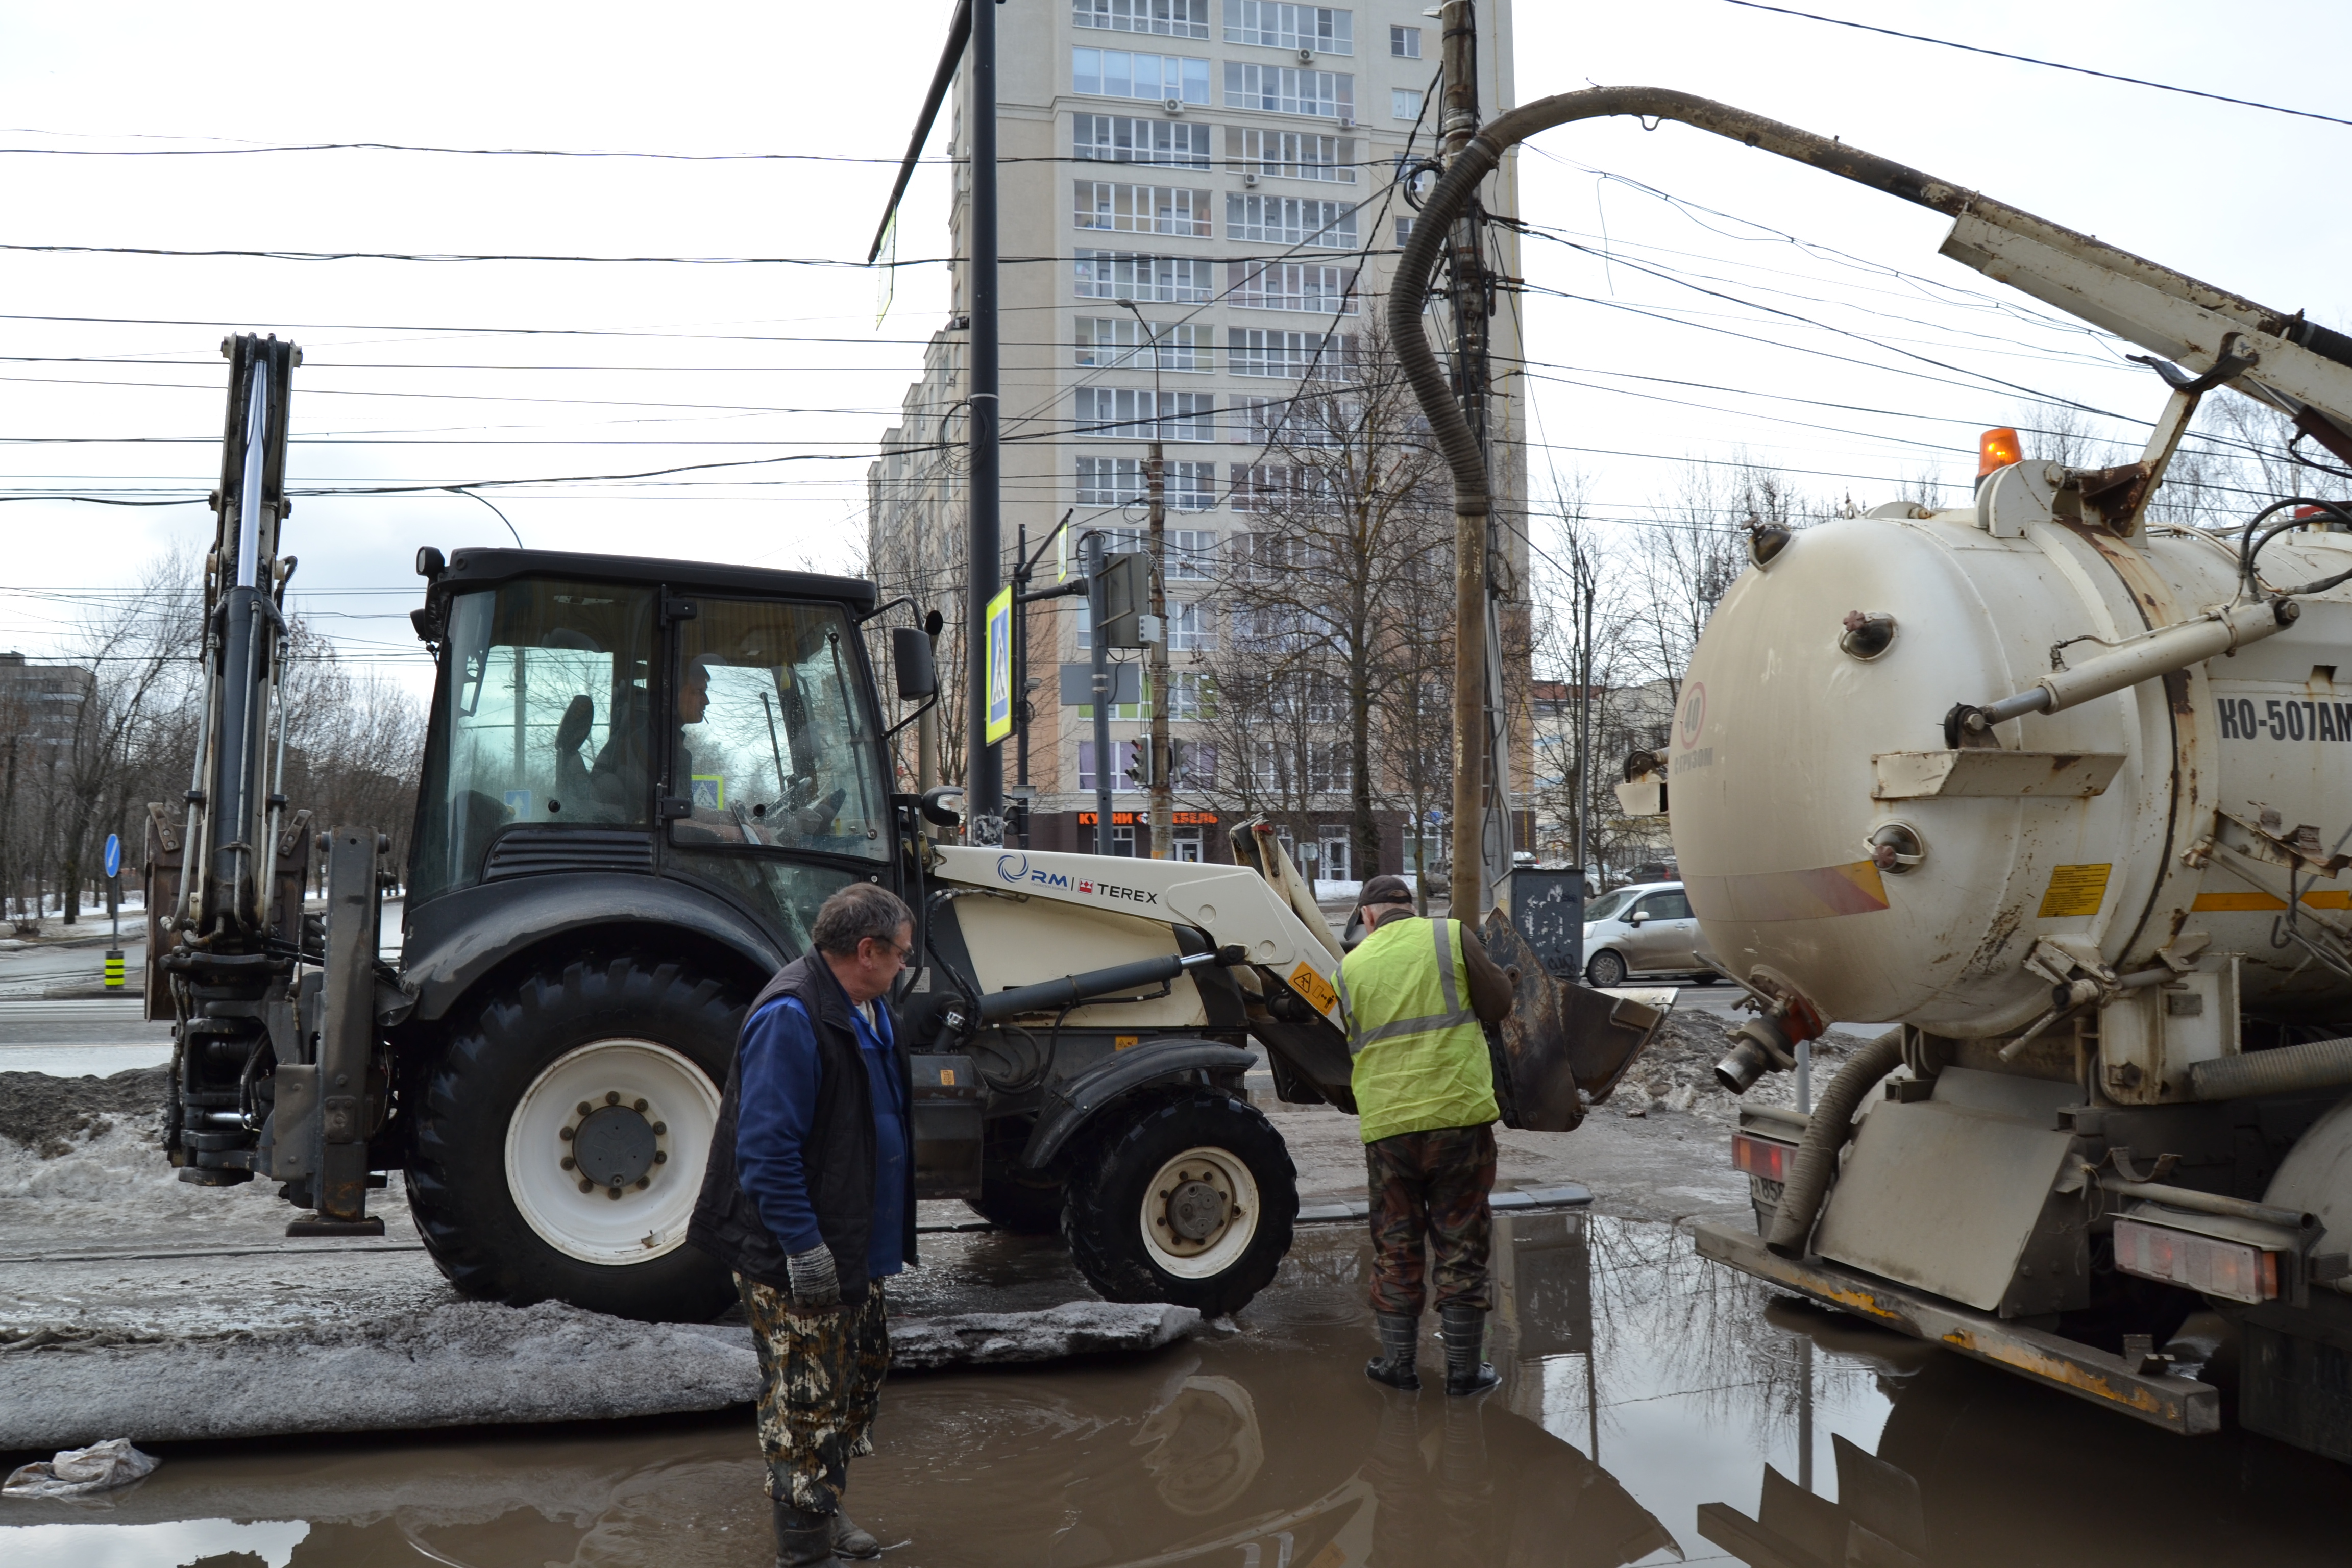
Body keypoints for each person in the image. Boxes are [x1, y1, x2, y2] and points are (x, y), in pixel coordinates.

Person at [691, 883, 918, 1567]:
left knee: (856, 1380)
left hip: (855, 1245)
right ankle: (805, 1551)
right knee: (804, 1405)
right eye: (901, 954)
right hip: (803, 1252)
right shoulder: (792, 1016)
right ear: (868, 950)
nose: (906, 966)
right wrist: (805, 1249)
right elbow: (765, 1152)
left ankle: (824, 1505)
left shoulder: (869, 1008)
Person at [1334, 874, 1516, 1396]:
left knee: (1396, 1241)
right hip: (1457, 1116)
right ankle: (1464, 1372)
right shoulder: (1450, 936)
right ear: (1408, 908)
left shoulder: (1349, 968)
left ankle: (1399, 1366)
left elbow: (1351, 1041)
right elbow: (1498, 1005)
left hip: (1390, 1128)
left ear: (1367, 916)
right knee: (1461, 1241)